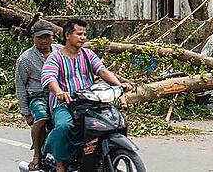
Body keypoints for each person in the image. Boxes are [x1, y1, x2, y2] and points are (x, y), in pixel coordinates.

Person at [41, 18, 130, 172]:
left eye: (84, 34)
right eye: (79, 34)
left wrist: (119, 85)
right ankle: (60, 163)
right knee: (64, 126)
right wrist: (59, 92)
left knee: (113, 122)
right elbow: (49, 78)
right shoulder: (55, 57)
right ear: (67, 35)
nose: (83, 37)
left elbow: (102, 71)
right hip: (64, 104)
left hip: (89, 102)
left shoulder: (88, 54)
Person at [15, 19, 62, 171]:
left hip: (59, 93)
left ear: (52, 37)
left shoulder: (61, 51)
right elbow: (20, 85)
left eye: (47, 36)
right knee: (41, 118)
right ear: (33, 37)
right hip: (38, 96)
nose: (44, 41)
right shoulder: (25, 59)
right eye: (40, 37)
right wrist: (26, 112)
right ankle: (37, 155)